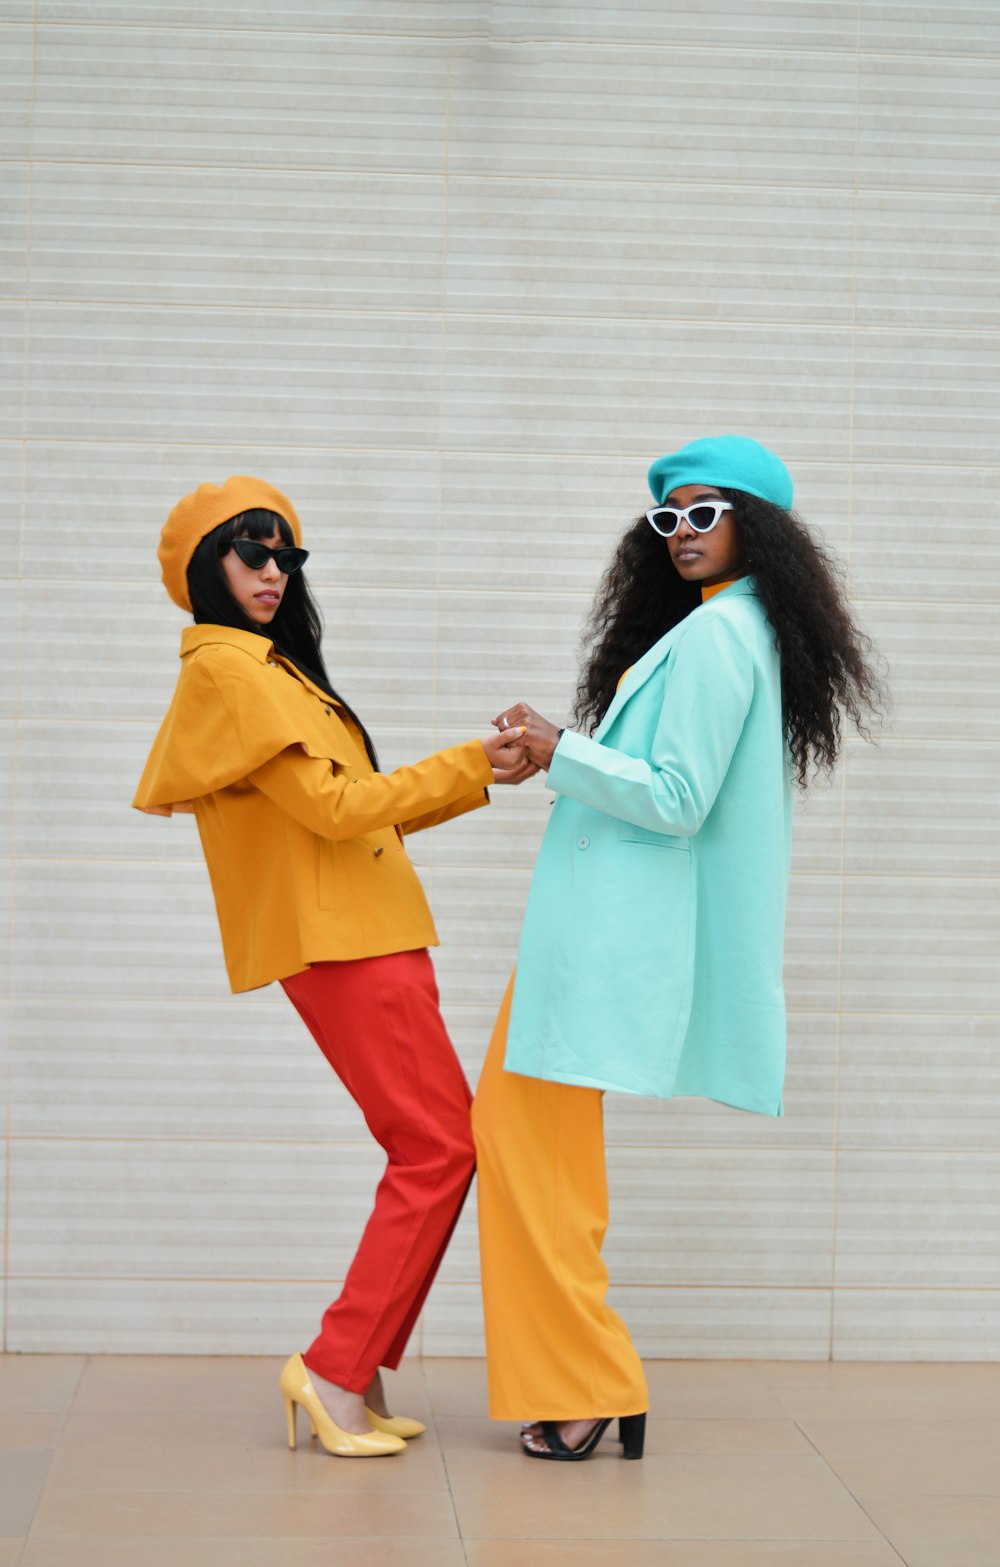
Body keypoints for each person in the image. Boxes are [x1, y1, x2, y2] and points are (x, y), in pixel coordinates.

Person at [472, 435, 883, 1462]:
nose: (682, 533)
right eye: (668, 517)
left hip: (607, 942)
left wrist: (563, 751)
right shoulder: (723, 631)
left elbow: (676, 799)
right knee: (541, 1153)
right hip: (603, 940)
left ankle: (585, 1380)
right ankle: (589, 1375)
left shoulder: (718, 639)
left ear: (760, 525)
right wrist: (565, 745)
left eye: (705, 512)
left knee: (531, 1152)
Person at [133, 476, 533, 1459]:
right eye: (250, 553)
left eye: (285, 556)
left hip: (368, 931)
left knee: (439, 1147)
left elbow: (360, 804)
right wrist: (475, 760)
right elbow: (341, 810)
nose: (273, 572)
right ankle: (333, 1369)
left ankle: (354, 1367)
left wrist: (483, 775)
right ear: (204, 568)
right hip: (341, 941)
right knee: (438, 1149)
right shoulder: (229, 674)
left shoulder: (268, 669)